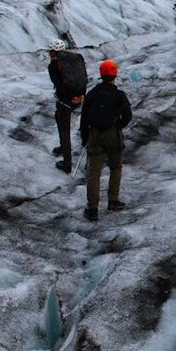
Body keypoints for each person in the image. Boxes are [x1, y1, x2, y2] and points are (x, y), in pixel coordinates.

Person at [79, 59, 132, 221]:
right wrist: (118, 127)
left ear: (101, 75)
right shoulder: (119, 95)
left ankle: (92, 209)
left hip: (95, 134)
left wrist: (85, 138)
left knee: (94, 173)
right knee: (115, 167)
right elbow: (127, 116)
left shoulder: (92, 94)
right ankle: (113, 201)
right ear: (115, 74)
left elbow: (84, 118)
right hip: (112, 134)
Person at [47, 39, 87, 173]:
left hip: (65, 100)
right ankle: (63, 147)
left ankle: (67, 163)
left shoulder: (54, 65)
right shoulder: (75, 58)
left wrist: (70, 98)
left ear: (53, 52)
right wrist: (80, 96)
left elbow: (58, 85)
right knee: (61, 121)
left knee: (64, 128)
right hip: (78, 97)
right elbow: (83, 77)